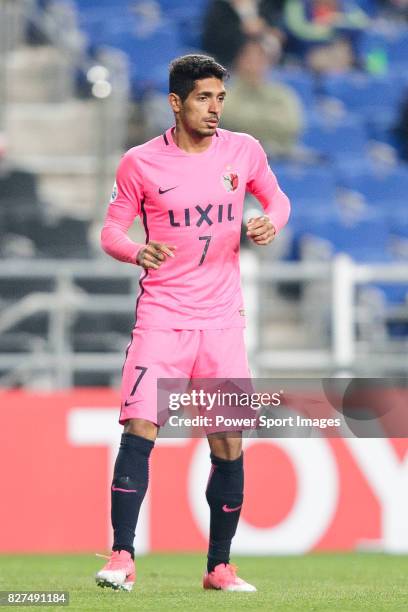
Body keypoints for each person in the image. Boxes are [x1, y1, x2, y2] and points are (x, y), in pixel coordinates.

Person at [96, 54, 290, 593]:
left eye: (220, 98)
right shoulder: (139, 163)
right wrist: (137, 252)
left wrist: (267, 223)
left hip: (223, 320)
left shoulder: (244, 151)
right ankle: (121, 556)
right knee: (141, 427)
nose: (214, 109)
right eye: (204, 98)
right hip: (163, 316)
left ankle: (219, 567)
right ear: (176, 102)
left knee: (228, 442)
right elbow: (111, 230)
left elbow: (278, 200)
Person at [221, 38, 304, 158]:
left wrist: (251, 117)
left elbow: (292, 125)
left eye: (260, 59)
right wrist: (272, 119)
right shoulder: (224, 94)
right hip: (238, 156)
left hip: (282, 153)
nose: (255, 64)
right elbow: (233, 120)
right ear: (238, 61)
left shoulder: (282, 94)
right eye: (250, 59)